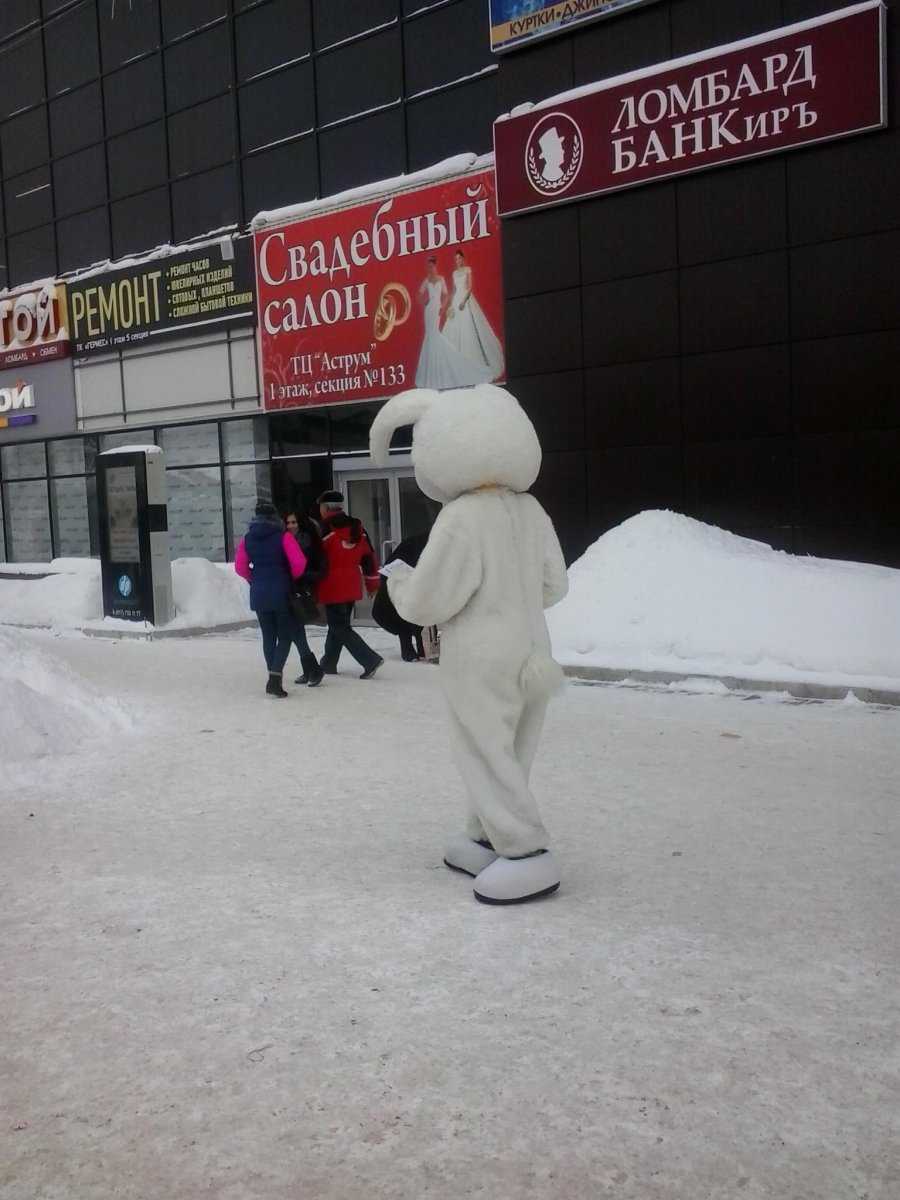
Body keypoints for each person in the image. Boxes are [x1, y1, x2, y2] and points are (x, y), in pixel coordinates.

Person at [369, 384, 569, 905]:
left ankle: (526, 851)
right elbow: (555, 585)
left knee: (481, 749)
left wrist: (397, 581)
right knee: (512, 747)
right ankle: (484, 836)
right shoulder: (531, 510)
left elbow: (428, 601)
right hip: (532, 646)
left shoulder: (461, 517)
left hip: (481, 652)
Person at [234, 500, 306, 698]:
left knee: (268, 636)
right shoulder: (284, 537)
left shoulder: (247, 539)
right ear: (275, 517)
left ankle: (273, 676)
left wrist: (254, 579)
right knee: (285, 636)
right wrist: (288, 576)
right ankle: (274, 678)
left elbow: (240, 567)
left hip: (259, 592)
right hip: (281, 592)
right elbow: (299, 564)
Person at [317, 512, 384, 679]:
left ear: (325, 508)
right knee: (338, 626)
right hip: (352, 585)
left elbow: (316, 557)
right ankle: (328, 664)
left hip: (332, 585)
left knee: (339, 627)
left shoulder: (326, 529)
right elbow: (369, 559)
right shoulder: (358, 530)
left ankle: (370, 660)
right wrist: (372, 583)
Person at [414, 256, 494, 391]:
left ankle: (442, 369)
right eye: (428, 266)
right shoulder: (426, 280)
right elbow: (419, 294)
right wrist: (425, 302)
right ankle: (430, 374)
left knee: (434, 335)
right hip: (428, 310)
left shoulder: (441, 279)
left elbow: (445, 294)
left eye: (431, 266)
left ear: (435, 266)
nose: (429, 268)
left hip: (437, 308)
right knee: (429, 336)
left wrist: (442, 306)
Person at [442, 250, 504, 381]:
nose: (457, 261)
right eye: (456, 259)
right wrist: (451, 305)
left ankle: (471, 365)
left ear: (463, 259)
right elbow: (454, 290)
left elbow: (469, 287)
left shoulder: (467, 270)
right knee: (453, 330)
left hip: (465, 300)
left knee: (467, 329)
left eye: (459, 258)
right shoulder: (454, 273)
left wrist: (464, 301)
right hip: (456, 300)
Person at [372, 532, 429, 662]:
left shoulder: (419, 542)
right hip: (401, 579)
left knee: (410, 615)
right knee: (411, 615)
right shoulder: (422, 544)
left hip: (404, 579)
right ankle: (421, 648)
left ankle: (416, 648)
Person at [283, 511, 325, 687]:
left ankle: (313, 669)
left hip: (300, 590)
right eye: (288, 522)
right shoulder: (287, 540)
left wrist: (302, 578)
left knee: (295, 630)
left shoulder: (307, 541)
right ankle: (310, 669)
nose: (291, 525)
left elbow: (318, 568)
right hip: (292, 589)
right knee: (296, 630)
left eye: (294, 522)